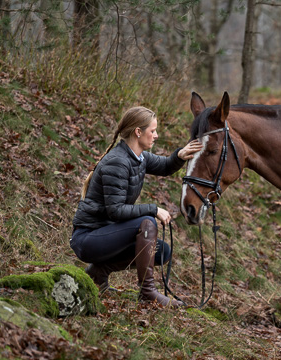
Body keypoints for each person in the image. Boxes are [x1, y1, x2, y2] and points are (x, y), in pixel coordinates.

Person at [70, 106, 202, 307]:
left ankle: (98, 273)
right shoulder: (118, 162)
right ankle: (147, 292)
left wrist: (180, 155)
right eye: (153, 131)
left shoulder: (139, 157)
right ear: (138, 132)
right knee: (147, 222)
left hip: (108, 233)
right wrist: (153, 209)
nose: (156, 135)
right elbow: (116, 211)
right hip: (88, 238)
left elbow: (165, 166)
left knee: (161, 251)